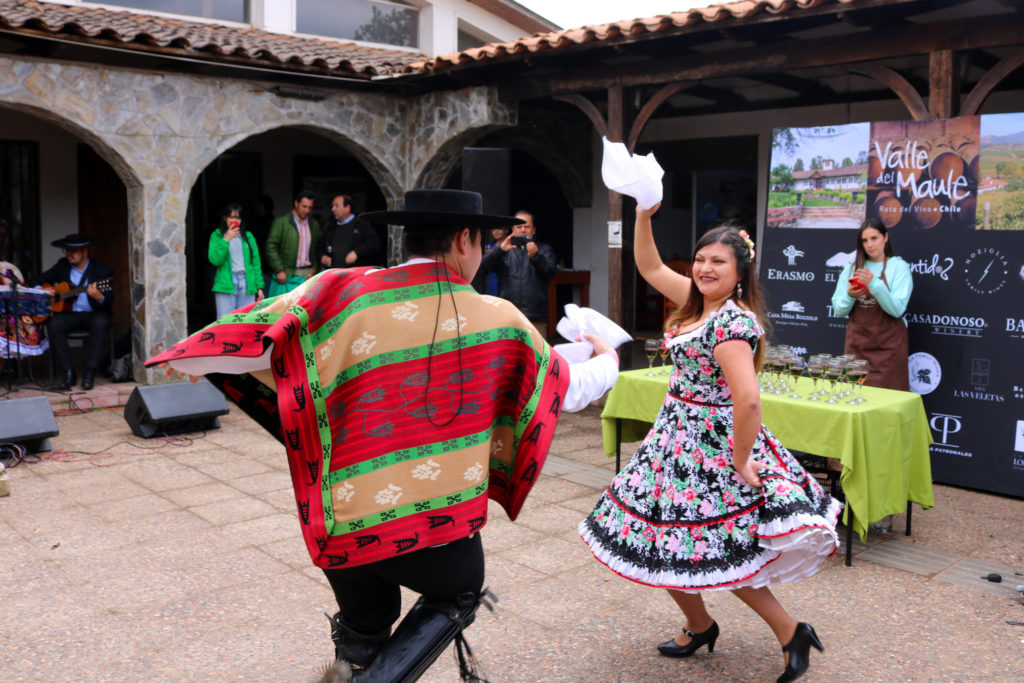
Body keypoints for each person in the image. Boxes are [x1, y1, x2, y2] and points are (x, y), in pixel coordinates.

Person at [147, 189, 620, 681]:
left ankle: (352, 665)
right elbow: (566, 389)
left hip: (341, 519)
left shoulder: (334, 289)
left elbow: (249, 336)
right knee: (460, 592)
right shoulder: (497, 317)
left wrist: (189, 358)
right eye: (482, 243)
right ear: (464, 240)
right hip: (430, 535)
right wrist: (607, 358)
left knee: (367, 620)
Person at [580, 203, 842, 683]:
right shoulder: (698, 303)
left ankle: (790, 630)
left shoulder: (730, 323)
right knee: (660, 541)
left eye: (718, 262)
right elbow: (651, 266)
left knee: (718, 549)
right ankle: (700, 625)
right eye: (701, 259)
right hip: (674, 441)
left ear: (740, 272)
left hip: (712, 450)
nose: (704, 268)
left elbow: (748, 401)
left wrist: (741, 461)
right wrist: (643, 214)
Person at [830, 218, 913, 390]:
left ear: (885, 238)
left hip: (889, 352)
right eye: (865, 240)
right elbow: (839, 310)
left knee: (887, 403)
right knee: (855, 398)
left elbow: (897, 310)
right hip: (857, 348)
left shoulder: (898, 267)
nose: (870, 245)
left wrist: (874, 285)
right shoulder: (852, 268)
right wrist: (850, 295)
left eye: (874, 238)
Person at [33, 234, 113, 391]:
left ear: (85, 252)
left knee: (101, 322)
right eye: (66, 250)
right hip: (70, 315)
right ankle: (69, 372)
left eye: (73, 251)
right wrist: (44, 290)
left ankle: (90, 372)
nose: (68, 254)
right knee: (54, 324)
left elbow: (109, 301)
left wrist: (100, 297)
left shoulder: (102, 271)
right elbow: (36, 280)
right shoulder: (62, 265)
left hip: (92, 315)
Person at [480, 210, 558, 338]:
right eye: (519, 226)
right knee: (508, 356)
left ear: (534, 230)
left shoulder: (544, 249)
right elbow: (483, 268)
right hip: (507, 316)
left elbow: (551, 273)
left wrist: (536, 256)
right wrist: (499, 250)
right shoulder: (504, 250)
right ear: (513, 229)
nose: (523, 230)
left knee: (536, 356)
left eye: (527, 226)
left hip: (535, 317)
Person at [208, 204, 265, 319]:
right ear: (225, 218)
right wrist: (226, 240)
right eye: (231, 217)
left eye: (238, 218)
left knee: (246, 321)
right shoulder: (217, 235)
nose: (234, 220)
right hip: (226, 283)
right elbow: (215, 260)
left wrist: (259, 287)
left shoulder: (248, 236)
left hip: (246, 282)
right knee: (225, 321)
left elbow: (256, 263)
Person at [266, 189, 319, 296]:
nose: (307, 211)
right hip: (287, 273)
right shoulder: (281, 222)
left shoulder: (314, 225)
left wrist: (314, 267)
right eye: (304, 206)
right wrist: (279, 269)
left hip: (307, 274)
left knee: (304, 310)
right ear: (296, 203)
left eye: (310, 207)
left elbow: (316, 249)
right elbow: (270, 247)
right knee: (284, 309)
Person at [317, 194, 380, 270]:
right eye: (332, 206)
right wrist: (322, 256)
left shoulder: (361, 224)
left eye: (336, 206)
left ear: (347, 208)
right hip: (334, 274)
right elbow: (319, 247)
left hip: (355, 275)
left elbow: (374, 243)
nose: (333, 209)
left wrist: (356, 253)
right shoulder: (330, 227)